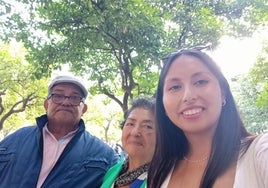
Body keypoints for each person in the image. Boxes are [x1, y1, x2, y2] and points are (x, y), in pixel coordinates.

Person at [147, 49, 268, 188]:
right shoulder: (161, 170)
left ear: (223, 92)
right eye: (175, 87)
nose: (188, 96)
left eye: (200, 82)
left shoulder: (260, 153)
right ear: (163, 104)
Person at [0, 75, 119, 188]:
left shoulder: (104, 156)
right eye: (58, 96)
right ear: (46, 104)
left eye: (75, 98)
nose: (66, 102)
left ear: (84, 109)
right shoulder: (14, 141)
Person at [101, 97, 156, 188]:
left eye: (147, 126)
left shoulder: (164, 179)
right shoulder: (112, 171)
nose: (135, 132)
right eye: (130, 124)